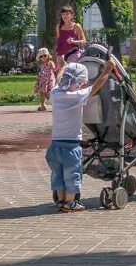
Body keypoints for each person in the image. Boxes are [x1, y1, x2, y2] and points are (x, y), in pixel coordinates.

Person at [46, 61, 113, 212]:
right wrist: (107, 70)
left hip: (54, 146)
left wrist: (63, 64)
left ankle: (61, 200)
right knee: (72, 175)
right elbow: (97, 86)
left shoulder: (55, 94)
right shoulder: (77, 95)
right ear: (81, 83)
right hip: (71, 146)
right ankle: (70, 203)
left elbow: (58, 79)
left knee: (58, 174)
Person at [55, 5, 86, 70]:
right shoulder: (58, 27)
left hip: (73, 55)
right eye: (63, 14)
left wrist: (74, 42)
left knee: (72, 75)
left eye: (67, 14)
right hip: (61, 56)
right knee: (61, 77)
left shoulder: (76, 26)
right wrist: (58, 56)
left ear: (72, 15)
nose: (64, 16)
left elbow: (84, 41)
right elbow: (58, 42)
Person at [33, 48, 58, 112]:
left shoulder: (50, 63)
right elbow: (40, 72)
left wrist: (57, 68)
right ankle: (42, 105)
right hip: (42, 80)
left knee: (49, 93)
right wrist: (37, 80)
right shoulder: (41, 65)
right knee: (41, 92)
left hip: (49, 80)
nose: (43, 57)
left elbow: (54, 70)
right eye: (41, 56)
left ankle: (55, 105)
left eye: (45, 55)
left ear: (48, 56)